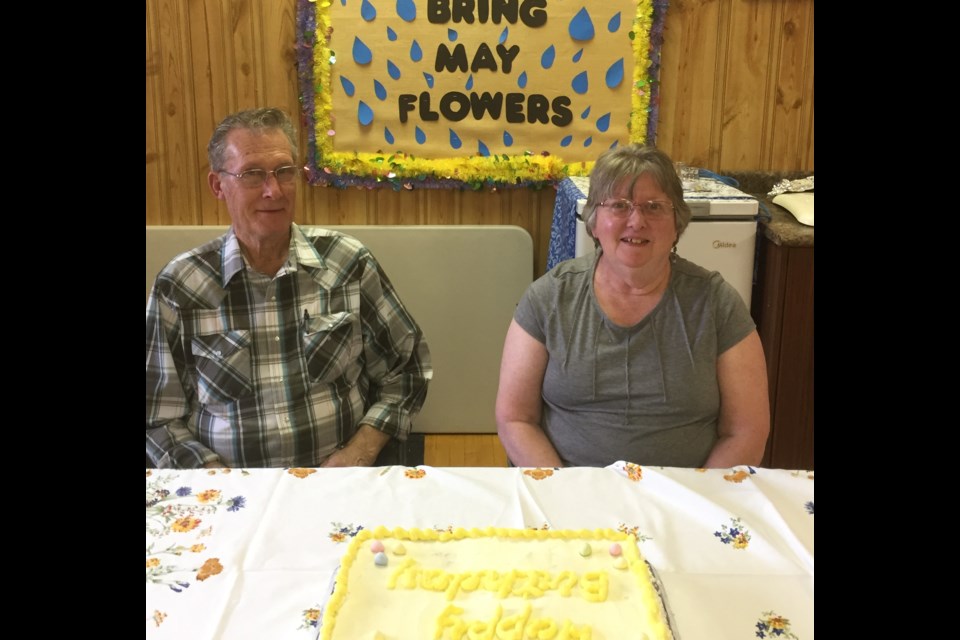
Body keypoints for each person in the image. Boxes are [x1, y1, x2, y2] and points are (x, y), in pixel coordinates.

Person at [146, 107, 432, 469]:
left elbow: (406, 370)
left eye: (284, 172)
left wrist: (360, 452)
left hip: (340, 478)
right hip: (231, 491)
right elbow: (156, 416)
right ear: (218, 185)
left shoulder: (348, 263)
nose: (273, 190)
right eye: (252, 175)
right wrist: (214, 478)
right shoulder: (181, 285)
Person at [495, 145, 769, 468]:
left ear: (677, 224)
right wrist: (564, 492)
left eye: (653, 207)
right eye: (619, 206)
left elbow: (746, 432)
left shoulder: (718, 304)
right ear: (595, 223)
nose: (636, 221)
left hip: (685, 503)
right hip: (568, 498)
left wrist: (693, 504)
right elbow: (515, 419)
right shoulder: (548, 298)